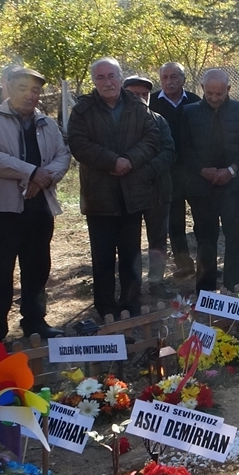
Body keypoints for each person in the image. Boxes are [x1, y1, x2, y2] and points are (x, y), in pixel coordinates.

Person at [0, 67, 70, 352]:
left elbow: (62, 156)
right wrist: (30, 172)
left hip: (39, 206)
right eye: (22, 88)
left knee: (38, 267)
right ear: (7, 87)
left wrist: (44, 178)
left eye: (35, 90)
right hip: (0, 210)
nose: (30, 95)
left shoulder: (47, 123)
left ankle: (35, 321)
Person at [67, 58, 160, 320]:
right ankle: (106, 307)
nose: (107, 82)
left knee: (131, 254)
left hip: (132, 192)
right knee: (103, 257)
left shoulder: (137, 106)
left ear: (120, 78)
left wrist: (129, 160)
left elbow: (152, 138)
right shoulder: (83, 110)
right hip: (99, 196)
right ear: (93, 81)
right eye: (100, 77)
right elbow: (78, 144)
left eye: (111, 76)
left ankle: (131, 303)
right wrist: (111, 161)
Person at [178, 68, 239, 292]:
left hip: (234, 184)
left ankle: (235, 285)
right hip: (201, 186)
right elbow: (184, 148)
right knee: (205, 237)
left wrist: (231, 170)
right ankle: (205, 289)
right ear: (202, 89)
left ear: (228, 89)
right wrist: (202, 170)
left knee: (233, 235)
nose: (213, 98)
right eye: (209, 93)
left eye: (218, 93)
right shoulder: (189, 112)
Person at [124, 75, 178, 289]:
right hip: (128, 193)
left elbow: (169, 151)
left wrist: (147, 171)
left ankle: (156, 281)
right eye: (134, 94)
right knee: (130, 242)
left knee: (158, 241)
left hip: (158, 190)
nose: (140, 98)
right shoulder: (117, 123)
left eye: (144, 95)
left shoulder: (158, 120)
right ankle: (133, 286)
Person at [148, 62, 200, 279]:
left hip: (196, 171)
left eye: (174, 77)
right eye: (165, 77)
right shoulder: (152, 104)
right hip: (168, 171)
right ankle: (183, 263)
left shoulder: (196, 101)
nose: (169, 81)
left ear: (183, 79)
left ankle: (206, 262)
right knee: (174, 220)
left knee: (202, 218)